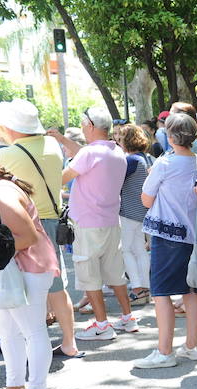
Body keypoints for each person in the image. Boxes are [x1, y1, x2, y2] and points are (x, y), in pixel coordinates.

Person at [0, 99, 80, 359]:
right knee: (57, 287)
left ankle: (27, 346)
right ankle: (69, 341)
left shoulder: (9, 154)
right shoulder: (52, 145)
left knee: (19, 287)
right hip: (53, 221)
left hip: (24, 224)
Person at [53, 106, 135, 340]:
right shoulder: (115, 151)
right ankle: (127, 318)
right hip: (110, 220)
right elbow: (85, 155)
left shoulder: (90, 154)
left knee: (90, 275)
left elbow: (63, 177)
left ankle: (102, 324)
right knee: (115, 273)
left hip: (87, 222)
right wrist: (62, 139)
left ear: (89, 125)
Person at [135, 112, 197, 369]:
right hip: (191, 234)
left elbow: (145, 199)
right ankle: (191, 345)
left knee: (161, 292)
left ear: (172, 136)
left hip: (167, 233)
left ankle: (164, 351)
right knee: (191, 291)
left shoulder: (165, 163)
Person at [0, 167, 60, 389]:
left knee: (32, 330)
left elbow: (28, 237)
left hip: (29, 267)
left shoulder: (2, 194)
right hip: (16, 268)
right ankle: (15, 386)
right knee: (8, 330)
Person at [116, 124, 153, 307]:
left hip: (129, 211)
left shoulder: (130, 161)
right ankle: (144, 287)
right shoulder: (145, 158)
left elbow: (115, 180)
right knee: (139, 250)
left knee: (126, 250)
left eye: (120, 138)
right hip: (142, 211)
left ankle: (137, 288)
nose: (118, 141)